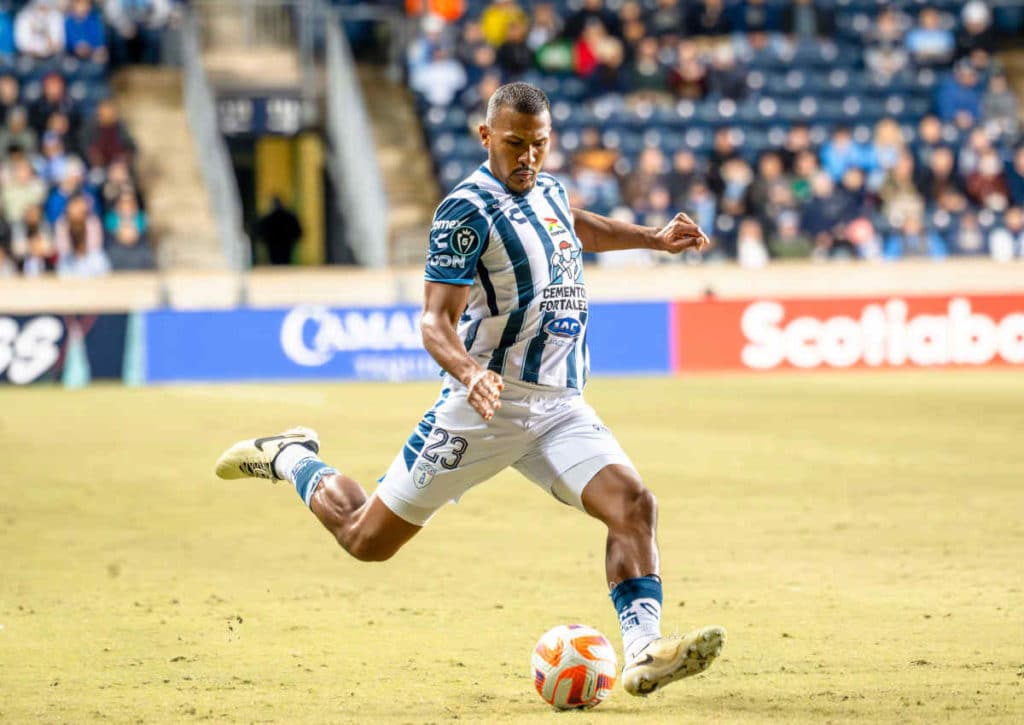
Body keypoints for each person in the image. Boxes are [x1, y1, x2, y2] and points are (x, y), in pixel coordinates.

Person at [214, 82, 724, 697]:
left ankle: (643, 650)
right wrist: (469, 373)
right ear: (486, 137)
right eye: (514, 144)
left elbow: (575, 225)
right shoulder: (464, 211)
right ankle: (292, 454)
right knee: (366, 540)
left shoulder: (552, 191)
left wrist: (651, 238)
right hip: (485, 405)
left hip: (559, 406)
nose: (527, 157)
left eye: (538, 144)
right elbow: (434, 321)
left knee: (633, 503)